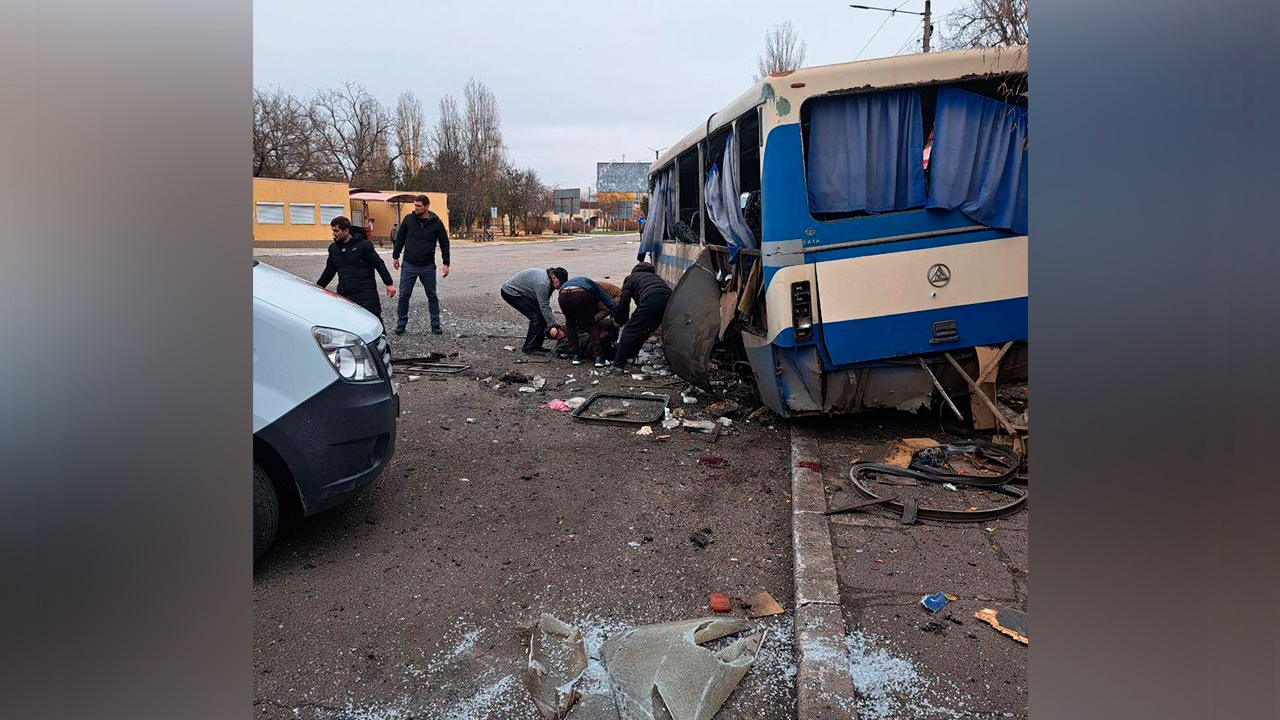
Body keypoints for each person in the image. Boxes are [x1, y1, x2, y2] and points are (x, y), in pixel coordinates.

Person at [316, 216, 395, 321]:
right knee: (348, 325)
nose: (333, 234)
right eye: (333, 230)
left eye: (336, 231)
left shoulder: (364, 246)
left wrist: (389, 283)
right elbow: (329, 271)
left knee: (373, 321)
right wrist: (317, 288)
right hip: (344, 293)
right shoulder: (333, 249)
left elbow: (378, 264)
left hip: (366, 293)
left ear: (346, 230)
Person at [391, 195, 450, 335]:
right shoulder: (408, 220)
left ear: (427, 206)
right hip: (409, 264)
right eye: (415, 205)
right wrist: (395, 256)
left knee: (432, 295)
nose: (415, 208)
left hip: (427, 266)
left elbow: (444, 243)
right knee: (404, 295)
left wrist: (446, 263)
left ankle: (435, 325)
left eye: (418, 206)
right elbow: (400, 238)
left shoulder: (436, 223)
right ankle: (401, 324)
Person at [612, 261, 672, 369]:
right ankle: (632, 355)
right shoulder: (656, 278)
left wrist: (621, 320)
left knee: (630, 330)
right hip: (671, 301)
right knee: (645, 330)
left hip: (651, 299)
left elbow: (624, 303)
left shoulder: (631, 278)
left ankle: (618, 365)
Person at [501, 267, 567, 354]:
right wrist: (553, 324)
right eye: (560, 283)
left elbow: (544, 306)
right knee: (536, 316)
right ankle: (529, 348)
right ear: (554, 277)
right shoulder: (543, 284)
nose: (561, 286)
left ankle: (537, 346)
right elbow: (544, 306)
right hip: (511, 292)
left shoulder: (549, 278)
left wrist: (551, 322)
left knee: (541, 316)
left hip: (523, 292)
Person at [557, 276, 620, 367]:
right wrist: (618, 318)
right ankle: (598, 357)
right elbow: (611, 304)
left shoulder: (586, 283)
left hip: (563, 294)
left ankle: (576, 356)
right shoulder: (598, 287)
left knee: (570, 323)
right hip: (580, 294)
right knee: (591, 324)